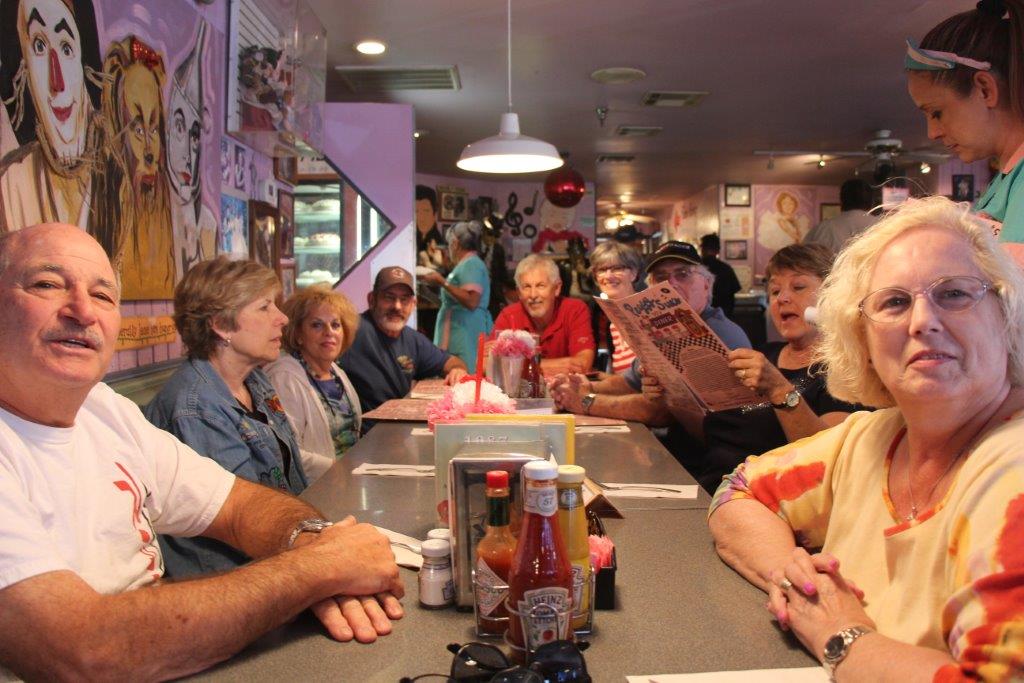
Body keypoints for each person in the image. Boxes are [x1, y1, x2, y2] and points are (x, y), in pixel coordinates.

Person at [0, 224, 403, 680]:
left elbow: (239, 504)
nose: (81, 311)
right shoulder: (188, 403)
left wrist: (317, 544)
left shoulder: (104, 409)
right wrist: (317, 569)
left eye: (103, 295)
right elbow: (82, 650)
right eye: (47, 284)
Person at [708, 197, 1024, 679]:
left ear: (1007, 319)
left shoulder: (1013, 470)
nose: (922, 321)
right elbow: (737, 492)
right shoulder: (870, 437)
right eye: (894, 302)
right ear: (863, 342)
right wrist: (796, 579)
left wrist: (841, 636)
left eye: (955, 294)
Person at [644, 243, 860, 491]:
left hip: (760, 501)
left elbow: (828, 461)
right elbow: (712, 434)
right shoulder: (764, 353)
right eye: (775, 291)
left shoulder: (842, 370)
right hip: (707, 485)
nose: (783, 298)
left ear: (831, 295)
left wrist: (779, 389)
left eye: (798, 287)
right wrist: (671, 392)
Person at [145, 257, 310, 576]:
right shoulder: (195, 407)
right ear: (221, 325)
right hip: (231, 576)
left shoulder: (255, 379)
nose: (283, 318)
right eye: (265, 307)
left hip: (276, 551)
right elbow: (247, 518)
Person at [549, 241, 750, 425]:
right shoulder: (663, 328)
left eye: (683, 274)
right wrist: (585, 387)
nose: (670, 284)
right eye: (661, 277)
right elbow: (630, 381)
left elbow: (661, 411)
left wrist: (584, 400)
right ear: (651, 287)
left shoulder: (716, 331)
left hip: (720, 456)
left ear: (706, 285)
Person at [906, 0, 1024, 255]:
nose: (932, 133)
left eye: (936, 112)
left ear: (985, 89)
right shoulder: (1007, 180)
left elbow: (1015, 291)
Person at [339, 266, 467, 413]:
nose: (397, 306)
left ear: (413, 304)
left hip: (396, 426)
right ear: (372, 299)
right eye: (389, 297)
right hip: (362, 432)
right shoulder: (351, 330)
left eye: (404, 299)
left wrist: (457, 370)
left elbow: (452, 362)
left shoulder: (413, 339)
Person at [265, 285, 363, 478]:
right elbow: (287, 451)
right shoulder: (284, 377)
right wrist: (339, 470)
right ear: (298, 334)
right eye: (317, 325)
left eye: (335, 325)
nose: (329, 332)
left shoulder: (336, 371)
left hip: (347, 480)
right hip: (316, 490)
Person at [492, 253, 595, 375]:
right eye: (526, 287)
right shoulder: (509, 316)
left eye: (541, 286)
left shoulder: (575, 310)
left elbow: (583, 364)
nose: (533, 295)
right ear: (519, 293)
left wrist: (516, 366)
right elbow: (487, 364)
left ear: (557, 288)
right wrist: (558, 365)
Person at [422, 220, 493, 369]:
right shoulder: (463, 265)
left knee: (467, 372)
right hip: (457, 331)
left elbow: (472, 301)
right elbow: (450, 303)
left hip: (466, 333)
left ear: (455, 243)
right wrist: (425, 293)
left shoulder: (472, 264)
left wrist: (442, 281)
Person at [588, 240, 645, 374]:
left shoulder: (648, 312)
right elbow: (624, 379)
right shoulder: (613, 322)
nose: (608, 276)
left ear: (634, 273)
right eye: (602, 270)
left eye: (617, 268)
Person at [803, 179, 878, 254]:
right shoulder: (883, 227)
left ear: (841, 201)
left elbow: (802, 260)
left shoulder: (822, 230)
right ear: (872, 202)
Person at [699, 233, 742, 317]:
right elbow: (733, 292)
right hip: (723, 316)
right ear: (718, 250)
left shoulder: (695, 268)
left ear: (702, 249)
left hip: (700, 317)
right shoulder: (726, 269)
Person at [415, 185, 445, 270]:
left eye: (426, 211)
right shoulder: (410, 239)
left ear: (434, 213)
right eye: (416, 211)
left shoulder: (438, 241)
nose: (421, 217)